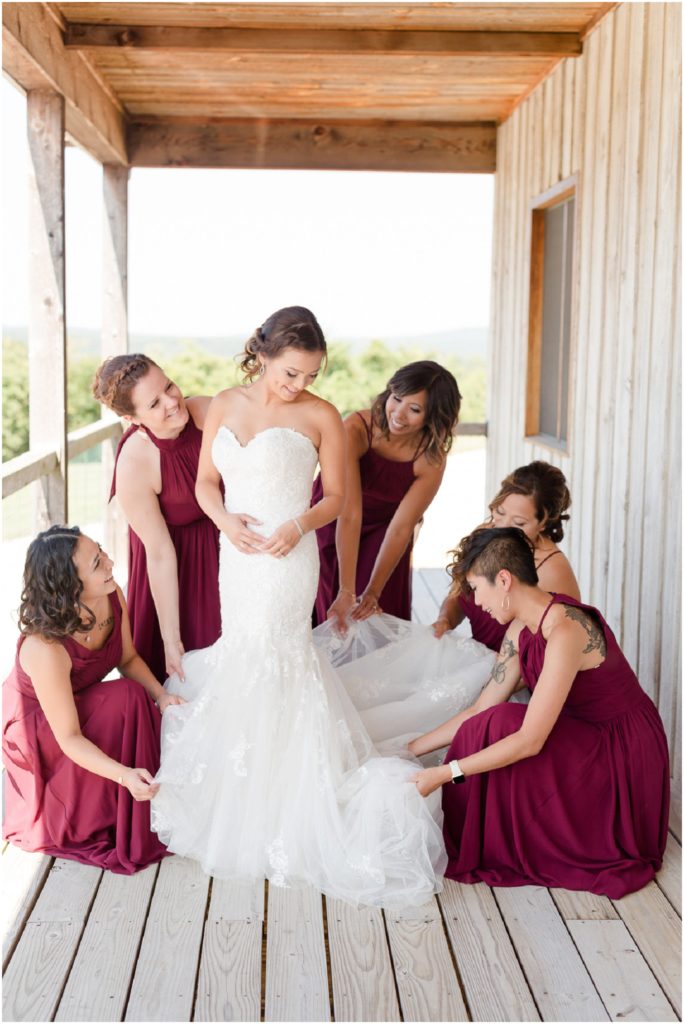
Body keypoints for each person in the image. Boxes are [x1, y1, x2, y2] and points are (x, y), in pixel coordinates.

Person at [151, 306, 446, 909]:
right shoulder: (227, 406)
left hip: (288, 559)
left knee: (278, 655)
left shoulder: (321, 416)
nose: (298, 386)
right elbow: (207, 482)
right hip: (237, 554)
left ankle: (290, 795)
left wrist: (297, 525)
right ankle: (245, 790)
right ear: (261, 354)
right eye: (289, 373)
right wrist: (225, 520)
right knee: (243, 654)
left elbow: (338, 497)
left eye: (309, 375)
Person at [411, 526, 670, 898]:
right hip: (582, 732)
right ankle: (479, 834)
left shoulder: (566, 629)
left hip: (622, 753)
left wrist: (447, 773)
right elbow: (480, 708)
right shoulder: (519, 629)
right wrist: (412, 748)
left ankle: (520, 835)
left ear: (503, 580)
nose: (475, 601)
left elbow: (530, 740)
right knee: (486, 724)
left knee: (504, 726)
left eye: (476, 588)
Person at [2, 526, 183, 873]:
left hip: (82, 700)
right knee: (126, 699)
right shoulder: (46, 647)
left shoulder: (111, 596)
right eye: (98, 563)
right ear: (69, 587)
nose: (111, 563)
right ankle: (113, 800)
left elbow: (127, 660)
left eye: (101, 552)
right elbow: (68, 737)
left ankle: (150, 806)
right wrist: (123, 775)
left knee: (134, 696)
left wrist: (161, 695)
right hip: (42, 727)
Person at [93, 355, 221, 683]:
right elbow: (160, 553)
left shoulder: (207, 411)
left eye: (169, 386)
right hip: (180, 568)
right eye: (154, 403)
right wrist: (170, 639)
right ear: (130, 418)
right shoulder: (134, 463)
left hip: (230, 542)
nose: (172, 402)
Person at [313, 361, 461, 628]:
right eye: (397, 399)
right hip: (336, 515)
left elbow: (401, 528)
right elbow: (350, 514)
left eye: (414, 409)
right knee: (331, 601)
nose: (399, 415)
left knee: (378, 610)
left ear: (434, 416)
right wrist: (347, 590)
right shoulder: (356, 429)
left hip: (386, 528)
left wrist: (373, 591)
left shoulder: (430, 458)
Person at [433, 461, 580, 650]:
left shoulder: (553, 571)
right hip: (480, 662)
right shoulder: (486, 532)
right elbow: (459, 594)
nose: (502, 528)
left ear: (544, 523)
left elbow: (561, 649)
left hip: (522, 676)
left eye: (518, 523)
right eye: (499, 512)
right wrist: (445, 620)